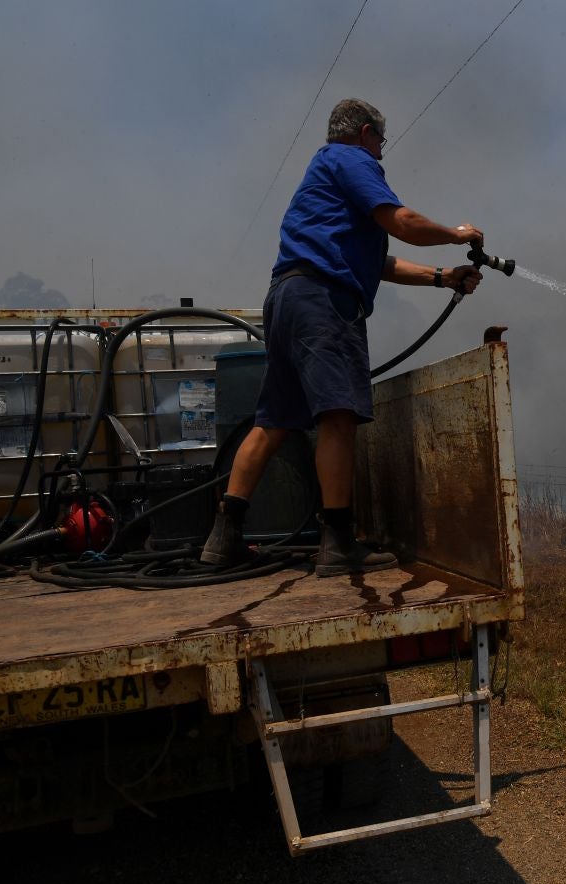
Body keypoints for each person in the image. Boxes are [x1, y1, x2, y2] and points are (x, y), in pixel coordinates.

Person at [201, 98, 483, 576]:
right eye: (381, 142)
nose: (382, 152)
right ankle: (336, 543)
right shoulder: (350, 158)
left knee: (273, 422)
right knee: (337, 416)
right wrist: (456, 234)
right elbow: (402, 223)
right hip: (324, 303)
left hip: (288, 297)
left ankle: (223, 537)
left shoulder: (323, 175)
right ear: (366, 132)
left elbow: (379, 263)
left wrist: (442, 277)